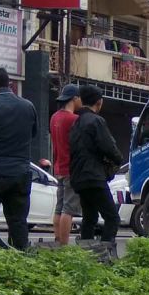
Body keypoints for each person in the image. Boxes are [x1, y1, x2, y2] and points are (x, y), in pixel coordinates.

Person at [0, 66, 38, 250]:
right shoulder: (28, 106)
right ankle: (20, 261)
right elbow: (32, 135)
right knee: (18, 222)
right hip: (21, 174)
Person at [69, 85, 123, 243]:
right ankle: (104, 253)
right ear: (99, 102)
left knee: (90, 217)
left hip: (78, 177)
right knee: (112, 218)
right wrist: (118, 159)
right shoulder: (96, 121)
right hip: (94, 176)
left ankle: (87, 255)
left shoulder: (76, 123)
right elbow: (109, 147)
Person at [50, 83, 82, 245]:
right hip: (71, 168)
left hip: (58, 167)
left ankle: (57, 240)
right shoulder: (74, 119)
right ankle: (64, 246)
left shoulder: (54, 117)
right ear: (74, 99)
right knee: (68, 210)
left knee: (59, 206)